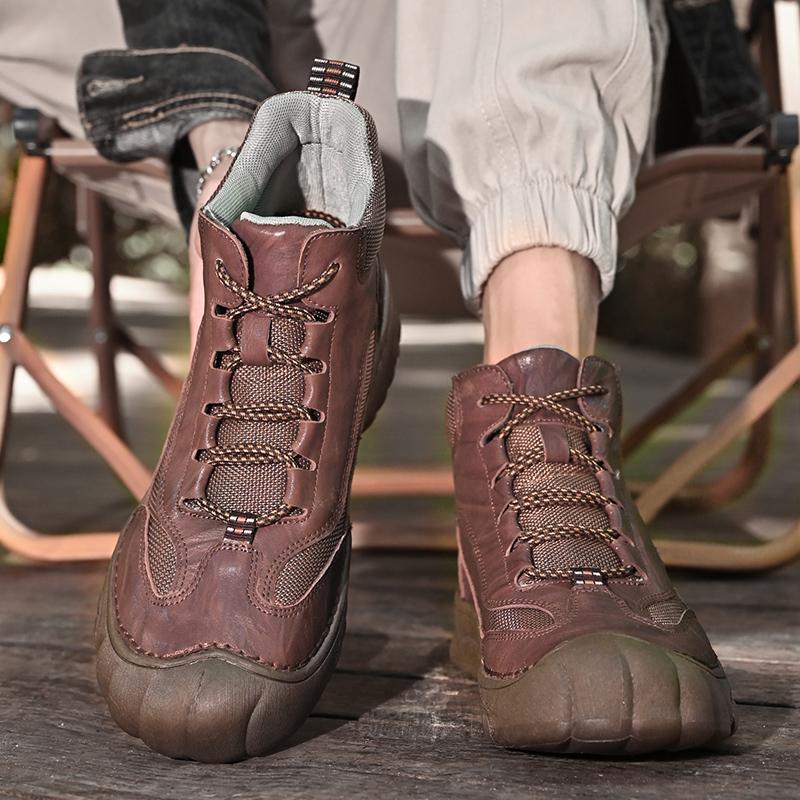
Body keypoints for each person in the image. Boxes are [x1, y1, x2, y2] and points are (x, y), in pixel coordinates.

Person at [2, 0, 736, 761]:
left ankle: (537, 398)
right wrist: (217, 117)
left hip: (450, 54)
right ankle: (257, 249)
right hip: (170, 73)